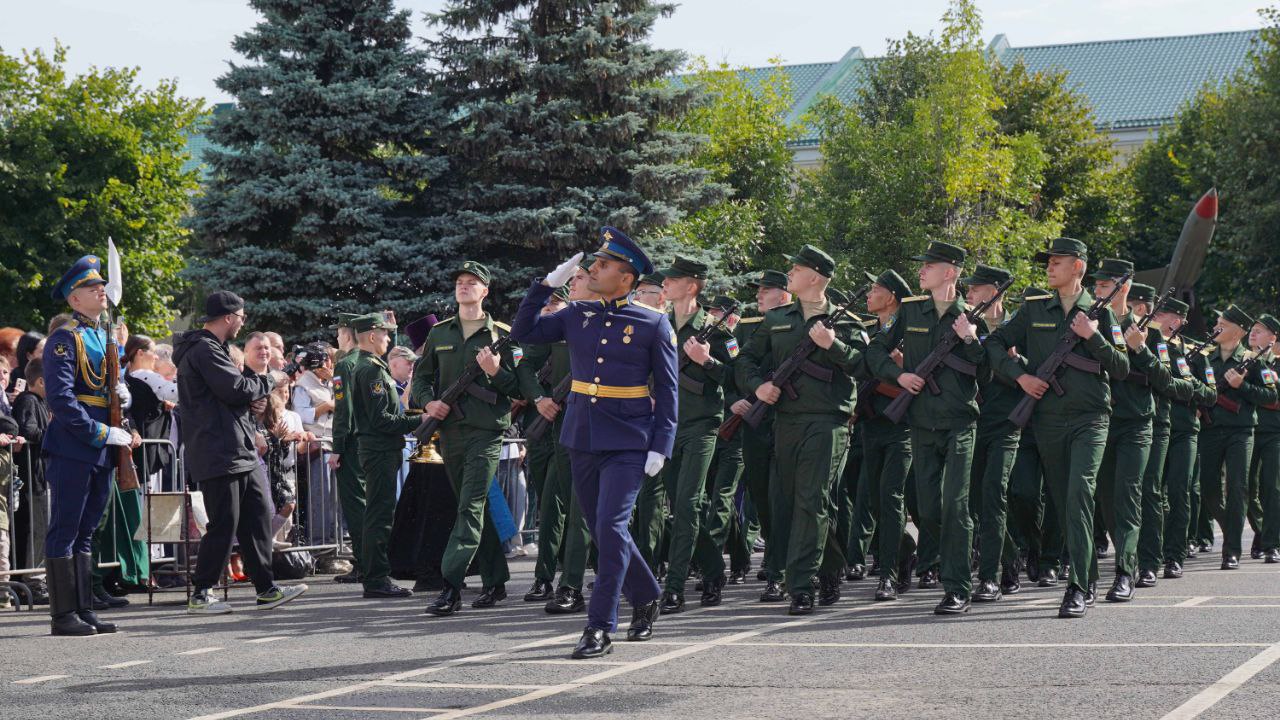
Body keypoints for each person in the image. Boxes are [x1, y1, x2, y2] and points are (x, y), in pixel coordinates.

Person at [511, 227, 677, 658]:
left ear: (627, 278)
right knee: (606, 531)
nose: (593, 269)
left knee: (610, 526)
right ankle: (646, 595)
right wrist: (545, 285)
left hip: (629, 440)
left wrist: (662, 443)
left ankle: (599, 626)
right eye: (595, 263)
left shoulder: (654, 322)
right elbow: (522, 332)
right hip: (582, 435)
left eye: (603, 265)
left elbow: (669, 389)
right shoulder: (576, 314)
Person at [986, 238, 1129, 618]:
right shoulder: (1034, 310)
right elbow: (996, 343)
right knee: (1065, 499)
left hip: (1091, 417)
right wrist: (1020, 378)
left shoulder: (1100, 314)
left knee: (1079, 493)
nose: (1049, 267)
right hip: (1047, 418)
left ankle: (1078, 587)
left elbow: (1121, 367)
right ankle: (1089, 574)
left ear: (1078, 267)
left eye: (1057, 262)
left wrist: (1092, 336)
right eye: (1048, 262)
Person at [740, 245, 867, 616]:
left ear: (814, 276)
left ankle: (801, 584)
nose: (789, 274)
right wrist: (757, 386)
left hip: (828, 421)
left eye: (795, 269)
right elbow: (746, 358)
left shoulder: (845, 322)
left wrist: (834, 345)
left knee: (812, 499)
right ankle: (830, 567)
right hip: (786, 420)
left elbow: (864, 366)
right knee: (794, 502)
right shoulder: (777, 318)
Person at [417, 261, 540, 617]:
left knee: (469, 506)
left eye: (472, 282)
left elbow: (520, 388)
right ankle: (495, 579)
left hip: (486, 432)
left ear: (485, 291)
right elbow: (422, 380)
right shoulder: (440, 333)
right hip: (451, 432)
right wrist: (430, 403)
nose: (464, 286)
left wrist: (495, 372)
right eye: (460, 282)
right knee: (474, 505)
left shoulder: (503, 335)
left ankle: (451, 585)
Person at [868, 241, 984, 615]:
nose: (921, 271)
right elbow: (875, 351)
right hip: (921, 422)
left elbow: (986, 369)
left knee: (955, 506)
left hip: (959, 423)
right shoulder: (912, 310)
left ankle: (957, 587)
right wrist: (899, 376)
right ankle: (942, 558)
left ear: (950, 272)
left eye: (929, 266)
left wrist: (970, 338)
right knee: (930, 510)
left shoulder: (970, 317)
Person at [175, 290, 307, 614]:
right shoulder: (204, 349)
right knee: (224, 523)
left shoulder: (215, 349)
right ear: (229, 317)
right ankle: (201, 593)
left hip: (238, 448)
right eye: (241, 316)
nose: (244, 322)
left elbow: (233, 394)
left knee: (258, 515)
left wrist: (253, 397)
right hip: (218, 451)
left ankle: (266, 588)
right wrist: (269, 380)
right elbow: (235, 390)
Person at [40, 255, 140, 636]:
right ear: (74, 299)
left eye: (100, 285)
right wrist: (101, 434)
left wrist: (123, 396)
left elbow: (105, 390)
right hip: (74, 445)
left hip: (101, 446)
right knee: (65, 528)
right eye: (90, 287)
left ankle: (84, 608)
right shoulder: (65, 340)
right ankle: (62, 615)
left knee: (87, 530)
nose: (101, 290)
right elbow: (62, 400)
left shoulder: (103, 336)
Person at [641, 256, 734, 613]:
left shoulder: (716, 329)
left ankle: (675, 585)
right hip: (666, 426)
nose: (666, 284)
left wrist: (707, 361)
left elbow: (736, 376)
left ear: (692, 286)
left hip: (701, 425)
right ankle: (713, 569)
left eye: (673, 279)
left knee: (686, 504)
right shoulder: (659, 325)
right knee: (682, 505)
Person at [350, 313, 429, 599]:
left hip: (380, 449)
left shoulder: (371, 365)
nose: (388, 340)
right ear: (372, 336)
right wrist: (419, 419)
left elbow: (386, 348)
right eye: (384, 335)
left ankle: (377, 576)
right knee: (379, 516)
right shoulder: (371, 371)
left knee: (380, 513)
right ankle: (376, 579)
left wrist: (392, 328)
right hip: (379, 449)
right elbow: (383, 419)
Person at [1198, 305, 1277, 569]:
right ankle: (1231, 527)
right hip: (1209, 430)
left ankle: (1231, 550)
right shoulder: (1206, 358)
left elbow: (1270, 396)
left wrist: (1241, 386)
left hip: (1240, 431)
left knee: (1238, 487)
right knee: (1208, 488)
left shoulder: (1255, 362)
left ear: (1237, 331)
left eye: (1221, 322)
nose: (1216, 325)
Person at [733, 270, 792, 601]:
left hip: (785, 422)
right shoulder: (745, 328)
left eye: (766, 291)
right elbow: (734, 369)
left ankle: (778, 570)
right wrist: (736, 399)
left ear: (784, 296)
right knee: (760, 497)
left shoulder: (795, 325)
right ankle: (774, 555)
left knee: (780, 498)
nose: (759, 295)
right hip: (754, 423)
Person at [12, 356, 51, 604]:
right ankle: (34, 582)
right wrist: (53, 431)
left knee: (40, 529)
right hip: (32, 477)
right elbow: (28, 430)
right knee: (36, 531)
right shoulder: (28, 400)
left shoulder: (36, 400)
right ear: (40, 381)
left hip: (38, 476)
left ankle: (37, 579)